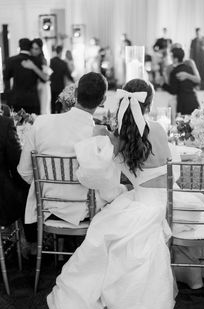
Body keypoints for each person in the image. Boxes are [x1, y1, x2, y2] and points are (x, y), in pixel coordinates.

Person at [47, 79, 176, 309]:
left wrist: (101, 134)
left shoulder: (115, 138)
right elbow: (174, 171)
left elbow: (102, 175)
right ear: (149, 104)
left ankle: (92, 299)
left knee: (103, 231)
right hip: (163, 203)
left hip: (139, 201)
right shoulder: (159, 130)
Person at [18, 73, 122, 232]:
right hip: (86, 211)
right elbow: (105, 183)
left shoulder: (41, 123)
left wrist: (49, 188)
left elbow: (25, 172)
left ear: (75, 93)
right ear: (103, 101)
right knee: (121, 194)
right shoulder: (98, 135)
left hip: (46, 207)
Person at [0, 104, 37, 254]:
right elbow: (18, 168)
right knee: (28, 189)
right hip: (2, 204)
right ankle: (31, 244)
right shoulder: (4, 124)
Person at [3, 38, 46, 114]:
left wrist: (8, 94)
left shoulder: (10, 60)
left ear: (19, 46)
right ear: (29, 47)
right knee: (33, 123)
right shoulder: (37, 60)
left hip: (16, 99)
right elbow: (44, 79)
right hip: (32, 100)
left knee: (18, 123)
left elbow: (6, 78)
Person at [162, 47, 199, 115]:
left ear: (175, 59)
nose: (171, 59)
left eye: (171, 57)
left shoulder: (174, 72)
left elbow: (173, 91)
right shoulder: (189, 68)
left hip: (183, 104)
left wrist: (163, 84)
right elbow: (196, 84)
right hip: (194, 101)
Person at [50, 45, 74, 113]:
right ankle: (58, 113)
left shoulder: (52, 60)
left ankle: (52, 113)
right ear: (61, 52)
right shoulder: (63, 63)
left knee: (52, 102)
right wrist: (74, 81)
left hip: (52, 85)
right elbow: (68, 74)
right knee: (59, 101)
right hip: (60, 85)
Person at [31, 38, 51, 115]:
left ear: (40, 49)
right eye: (32, 48)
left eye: (36, 49)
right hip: (36, 88)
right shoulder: (32, 59)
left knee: (44, 111)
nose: (33, 50)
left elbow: (46, 77)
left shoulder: (43, 60)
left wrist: (33, 67)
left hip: (44, 87)